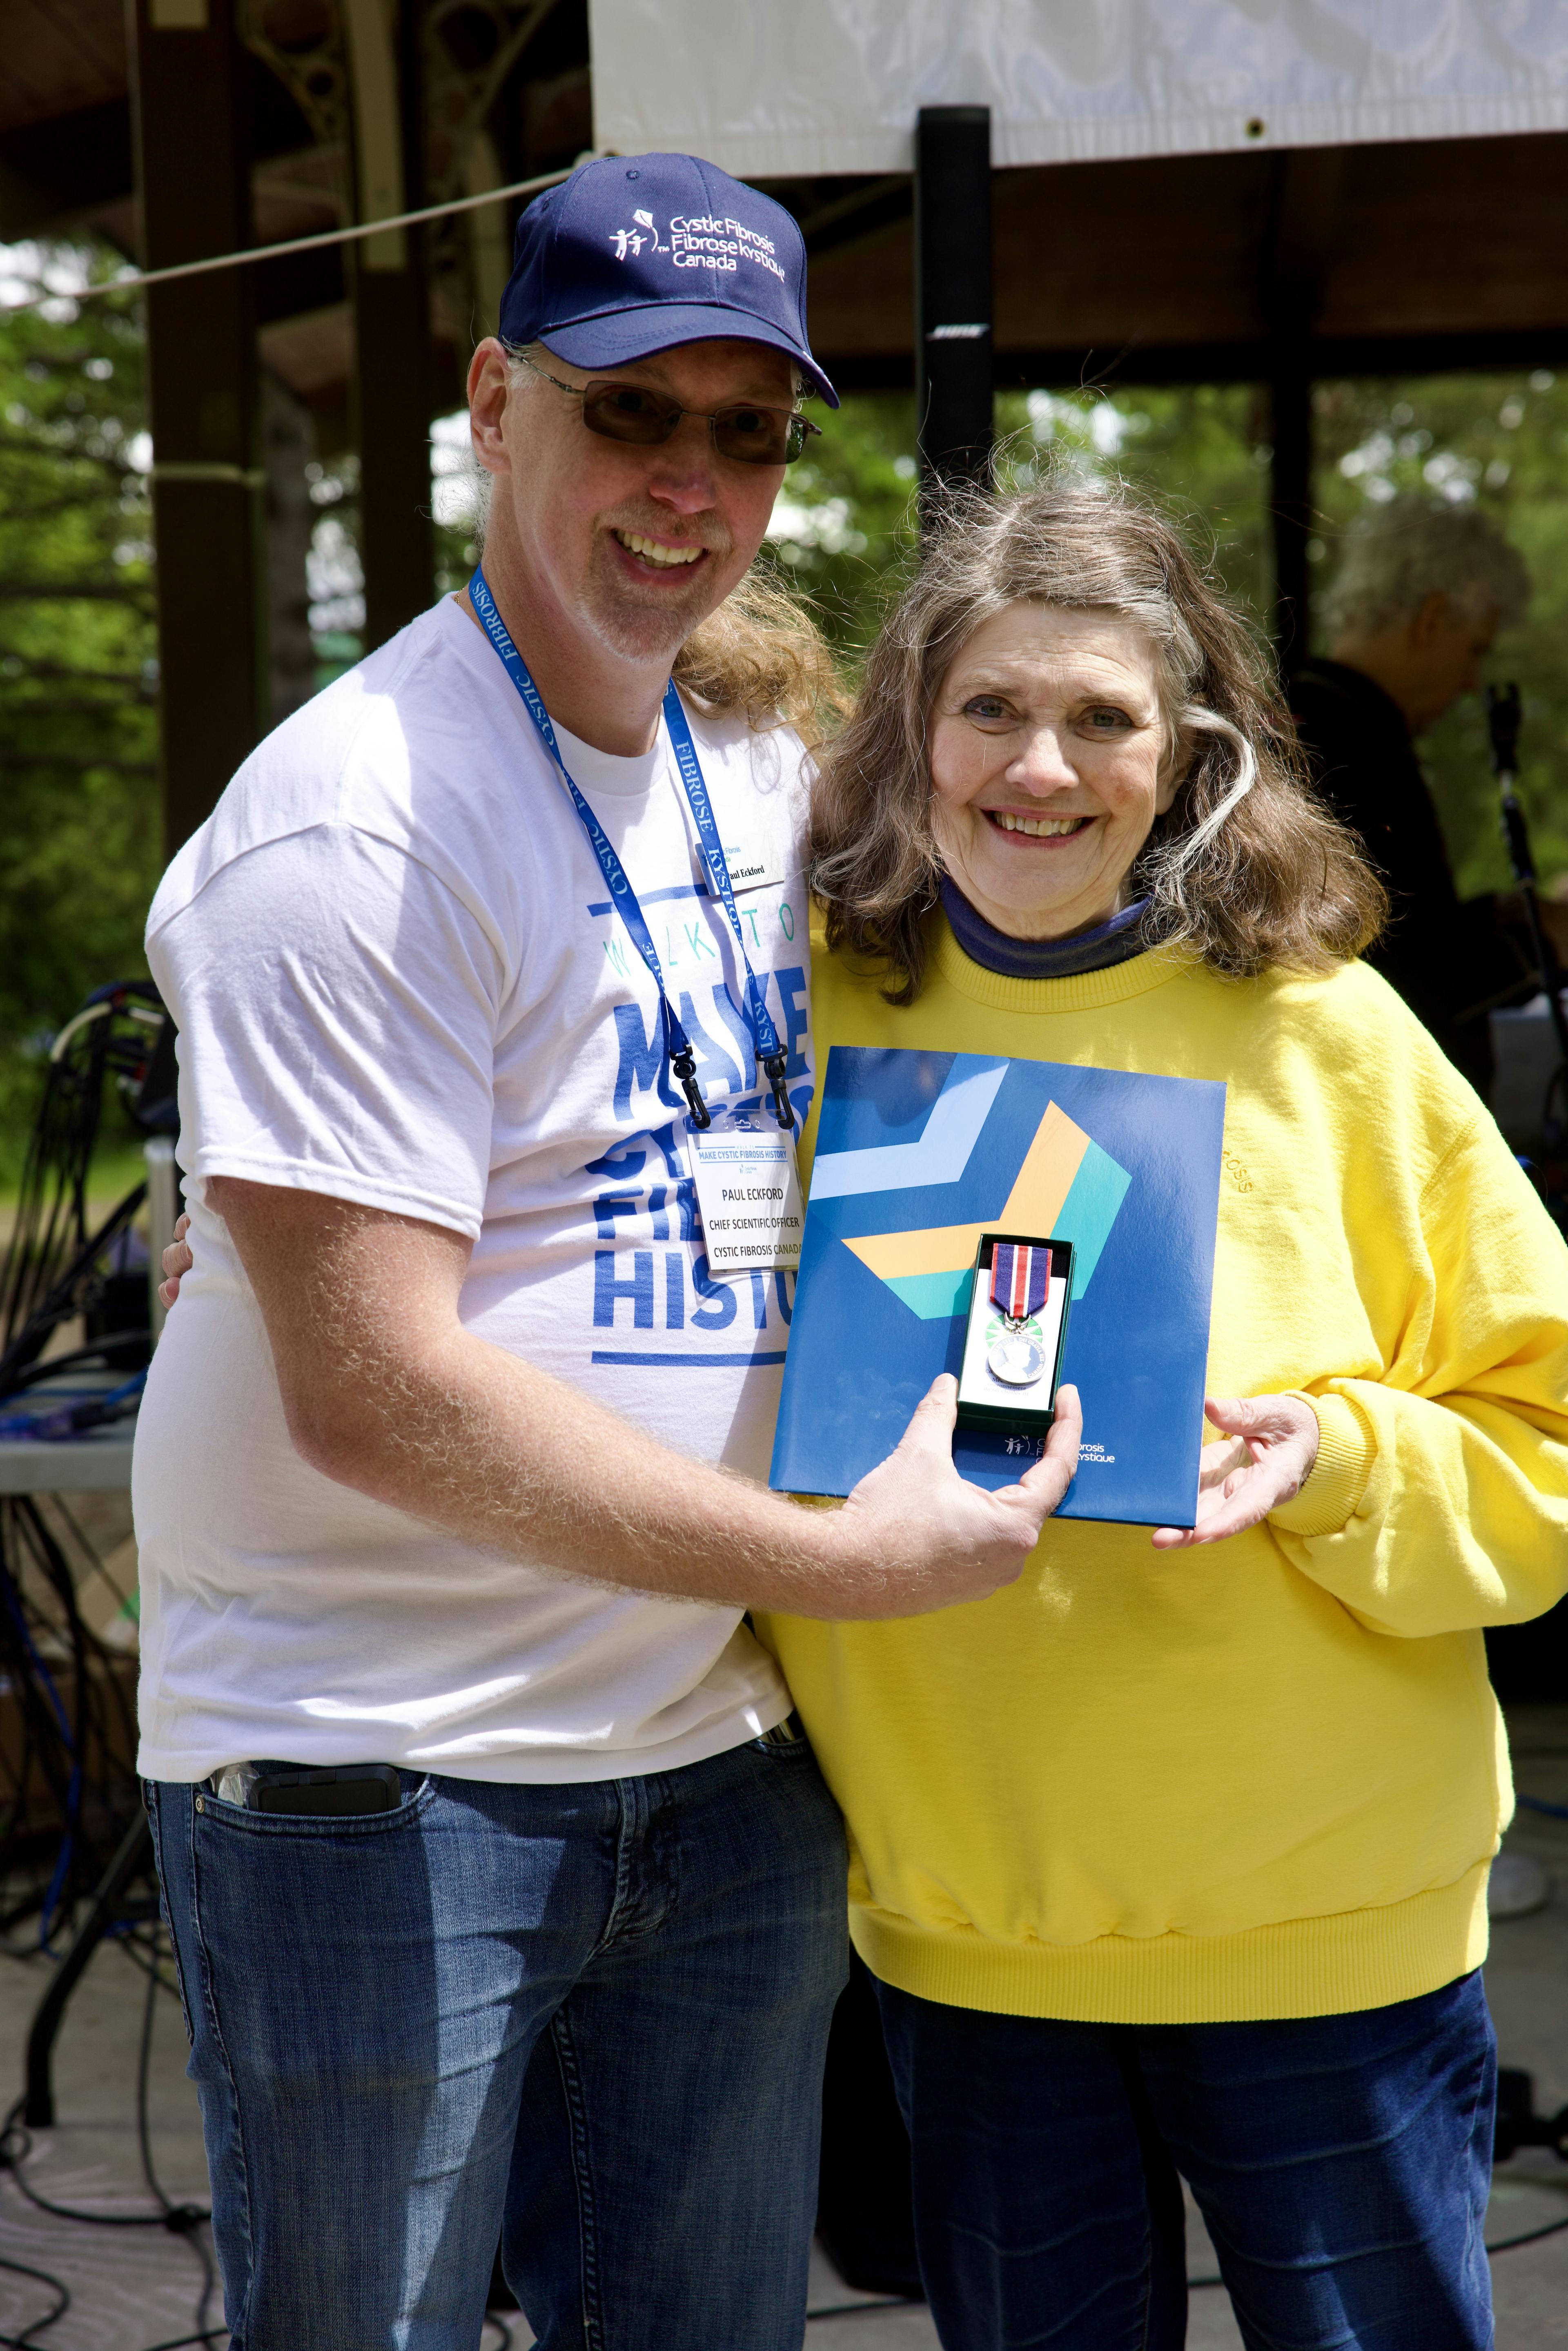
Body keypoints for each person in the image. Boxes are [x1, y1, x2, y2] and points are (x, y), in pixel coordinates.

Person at [134, 154, 1080, 2351]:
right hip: (386, 1777)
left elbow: (1031, 944)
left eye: (746, 428)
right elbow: (367, 1389)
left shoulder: (761, 759)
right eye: (630, 410)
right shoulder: (353, 820)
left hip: (714, 1756)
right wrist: (850, 1557)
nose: (690, 479)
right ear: (492, 399)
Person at [758, 480, 1568, 2351]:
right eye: (988, 711)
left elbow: (1543, 1447)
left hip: (1324, 1934)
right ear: (910, 732)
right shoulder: (804, 1014)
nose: (1038, 766)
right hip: (975, 1938)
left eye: (1101, 719)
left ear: (1191, 752)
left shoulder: (1326, 1031)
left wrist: (1338, 1456)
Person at [1291, 496, 1561, 1096]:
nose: (1471, 682)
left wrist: (1506, 917)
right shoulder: (1340, 743)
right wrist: (1541, 942)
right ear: (1432, 621)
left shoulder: (1325, 723)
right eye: (1475, 651)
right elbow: (1397, 964)